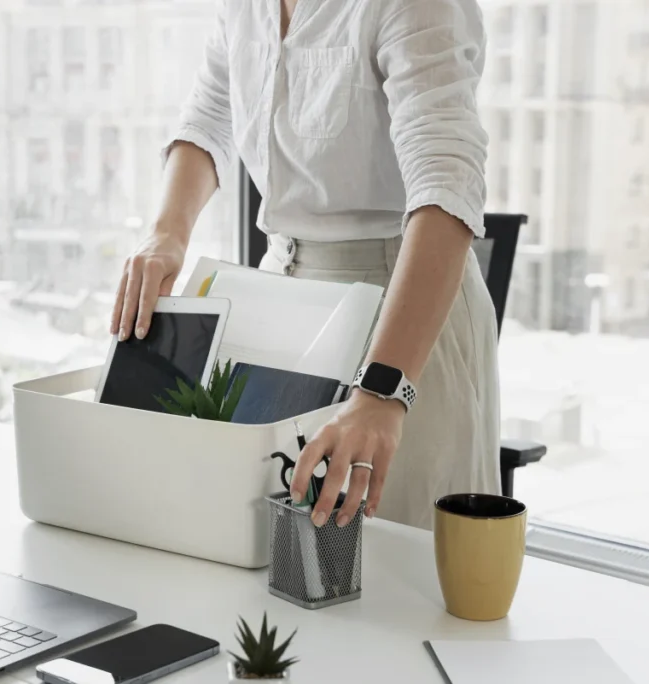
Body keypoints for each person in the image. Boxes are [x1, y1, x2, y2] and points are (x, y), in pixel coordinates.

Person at [111, 0, 498, 531]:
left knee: (399, 572)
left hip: (399, 319)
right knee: (283, 557)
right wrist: (166, 234)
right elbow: (210, 116)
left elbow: (447, 183)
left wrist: (383, 388)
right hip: (283, 305)